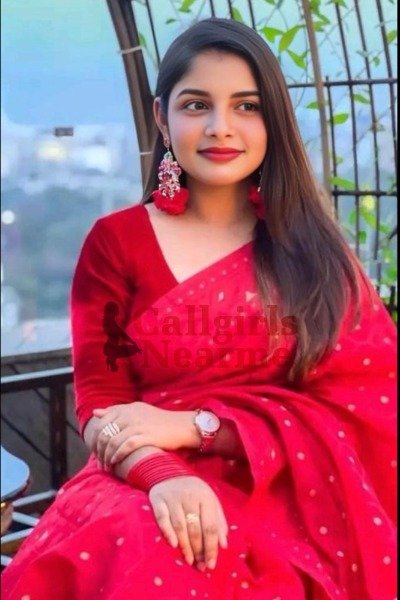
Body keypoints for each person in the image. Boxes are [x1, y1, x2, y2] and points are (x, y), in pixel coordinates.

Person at [2, 17, 396, 600]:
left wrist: (197, 427)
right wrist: (163, 476)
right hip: (140, 478)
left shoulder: (315, 254)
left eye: (246, 106)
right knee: (141, 543)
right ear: (162, 119)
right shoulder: (117, 243)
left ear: (273, 121)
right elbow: (101, 401)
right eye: (196, 105)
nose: (220, 127)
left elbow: (368, 405)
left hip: (290, 490)